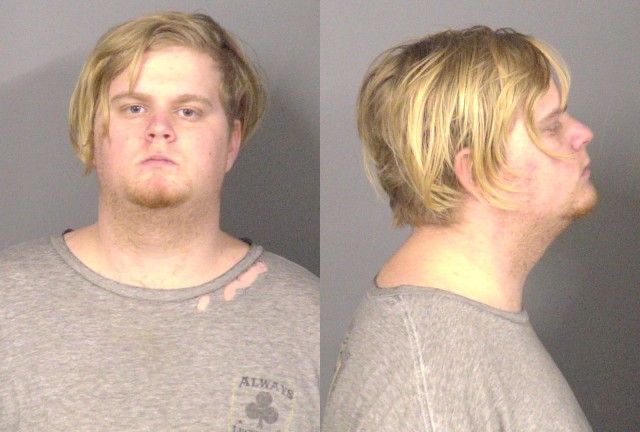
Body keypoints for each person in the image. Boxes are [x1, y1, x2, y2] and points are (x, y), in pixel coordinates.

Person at [0, 12, 318, 431]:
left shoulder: (307, 318)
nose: (159, 129)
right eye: (134, 108)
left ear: (231, 143)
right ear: (92, 134)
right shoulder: (8, 302)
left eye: (188, 111)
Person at [323, 26, 595, 431]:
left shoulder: (459, 338)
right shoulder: (427, 391)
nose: (583, 134)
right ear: (478, 172)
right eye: (551, 126)